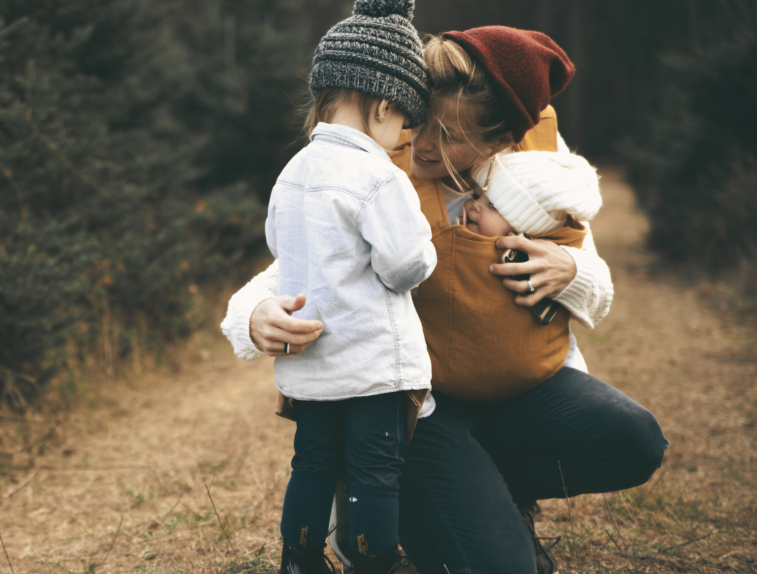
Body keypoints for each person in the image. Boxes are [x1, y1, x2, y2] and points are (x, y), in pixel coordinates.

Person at [222, 27, 668, 574]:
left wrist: (571, 269)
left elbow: (595, 285)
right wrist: (251, 315)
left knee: (636, 441)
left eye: (451, 135)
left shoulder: (537, 172)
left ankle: (481, 491)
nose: (425, 144)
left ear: (501, 139)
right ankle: (371, 484)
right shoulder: (378, 166)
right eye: (421, 121)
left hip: (520, 391)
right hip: (418, 407)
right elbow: (298, 259)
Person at [266, 2, 436, 573]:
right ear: (385, 105)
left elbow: (280, 245)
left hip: (312, 364)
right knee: (373, 473)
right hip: (370, 366)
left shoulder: (292, 172)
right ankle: (374, 562)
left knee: (312, 462)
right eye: (403, 124)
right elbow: (405, 264)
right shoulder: (378, 175)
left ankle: (299, 559)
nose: (402, 138)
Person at [416, 150, 602, 403]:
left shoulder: (546, 156)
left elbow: (599, 299)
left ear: (522, 231)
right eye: (476, 195)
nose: (473, 205)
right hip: (444, 385)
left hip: (542, 379)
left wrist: (575, 271)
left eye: (492, 205)